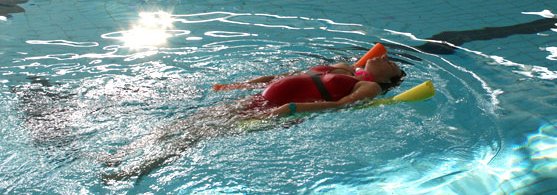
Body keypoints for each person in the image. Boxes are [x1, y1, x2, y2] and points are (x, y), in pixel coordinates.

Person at [102, 49, 406, 182]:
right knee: (184, 124)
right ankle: (121, 153)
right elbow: (288, 74)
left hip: (277, 110)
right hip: (258, 98)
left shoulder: (369, 87)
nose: (383, 58)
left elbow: (341, 106)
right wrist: (244, 84)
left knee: (196, 137)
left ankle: (135, 170)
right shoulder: (347, 69)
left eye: (390, 64)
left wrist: (294, 109)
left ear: (387, 79)